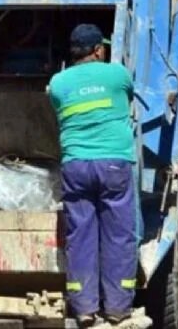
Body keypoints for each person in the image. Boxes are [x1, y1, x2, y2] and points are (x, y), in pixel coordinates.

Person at [48, 24, 137, 327]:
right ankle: (117, 308)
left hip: (76, 166)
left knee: (80, 236)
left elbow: (57, 102)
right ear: (99, 50)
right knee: (118, 236)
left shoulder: (58, 83)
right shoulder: (117, 75)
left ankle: (84, 308)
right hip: (114, 165)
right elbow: (130, 95)